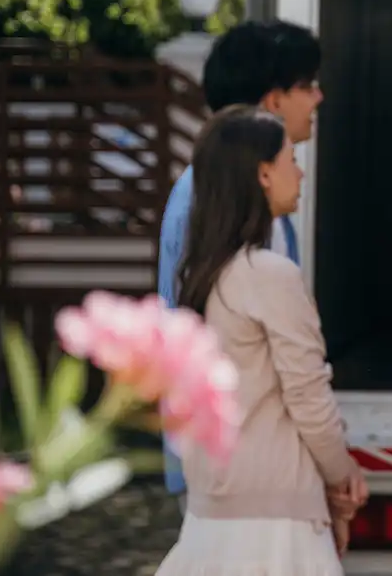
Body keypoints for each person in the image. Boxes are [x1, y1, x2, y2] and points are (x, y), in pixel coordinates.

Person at [155, 105, 367, 575]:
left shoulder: (204, 275)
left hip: (213, 505)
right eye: (292, 158)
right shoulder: (270, 275)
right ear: (264, 174)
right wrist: (341, 474)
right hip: (274, 519)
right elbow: (308, 395)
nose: (302, 171)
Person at [157, 19, 324, 513]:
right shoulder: (231, 202)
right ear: (273, 102)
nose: (318, 98)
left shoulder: (210, 187)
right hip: (240, 463)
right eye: (307, 86)